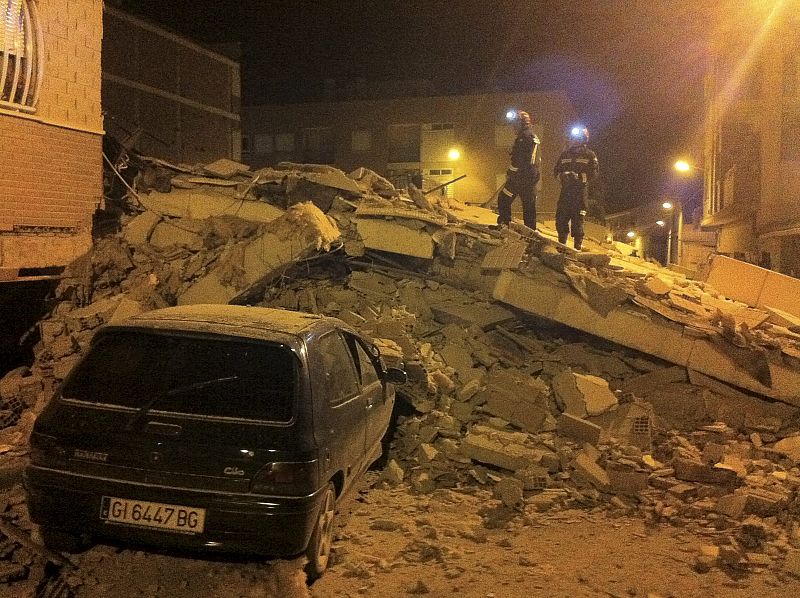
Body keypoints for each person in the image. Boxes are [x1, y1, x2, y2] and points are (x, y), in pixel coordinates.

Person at [553, 126, 599, 250]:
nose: (575, 140)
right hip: (565, 193)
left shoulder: (589, 155)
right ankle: (561, 246)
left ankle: (576, 248)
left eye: (578, 138)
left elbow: (593, 173)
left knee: (577, 223)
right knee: (561, 220)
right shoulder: (565, 154)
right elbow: (556, 171)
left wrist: (578, 177)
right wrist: (562, 177)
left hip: (579, 194)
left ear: (584, 139)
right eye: (574, 137)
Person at [497, 111, 540, 229]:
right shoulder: (533, 136)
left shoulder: (523, 138)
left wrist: (510, 172)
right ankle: (531, 231)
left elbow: (519, 161)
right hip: (530, 177)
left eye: (514, 124)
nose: (513, 127)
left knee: (504, 198)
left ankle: (504, 225)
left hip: (520, 177)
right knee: (529, 206)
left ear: (521, 123)